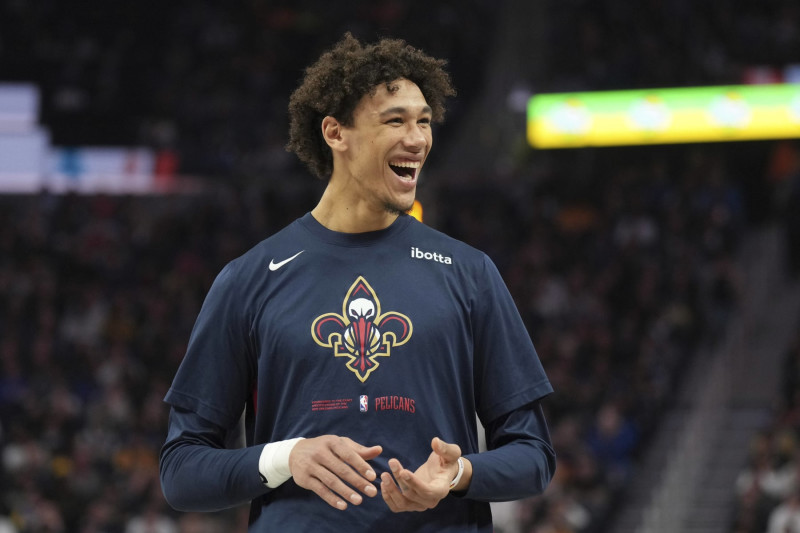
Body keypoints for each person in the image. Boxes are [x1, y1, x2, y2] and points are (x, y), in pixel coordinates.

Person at [159, 32, 556, 532]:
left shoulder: (469, 274)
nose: (418, 139)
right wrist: (285, 458)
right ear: (335, 133)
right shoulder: (250, 279)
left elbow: (534, 456)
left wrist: (459, 472)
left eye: (424, 122)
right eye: (395, 121)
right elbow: (180, 471)